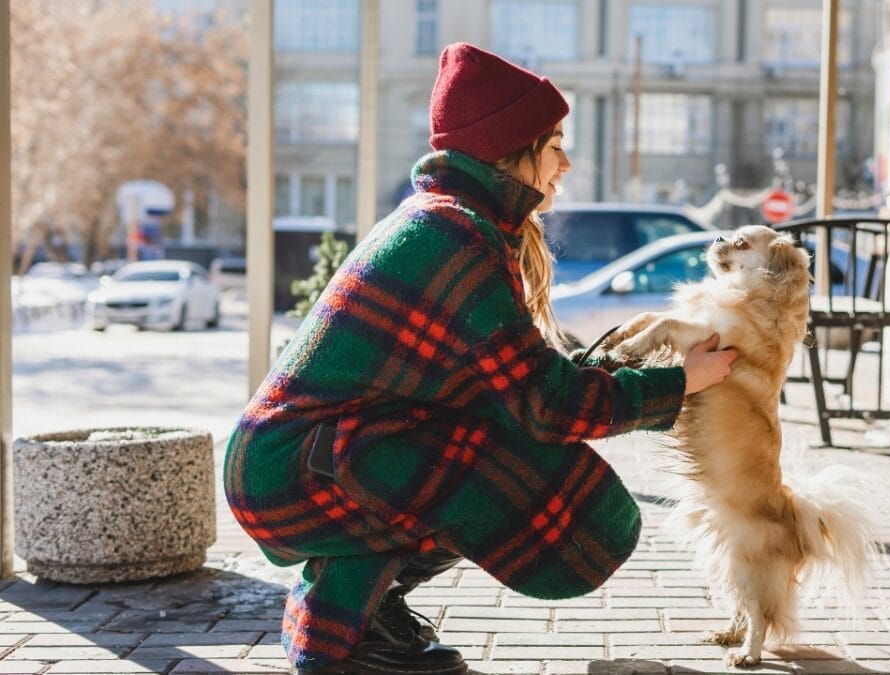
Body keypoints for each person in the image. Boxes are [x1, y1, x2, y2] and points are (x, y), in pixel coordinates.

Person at [224, 42, 738, 675]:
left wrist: (650, 364)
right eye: (554, 145)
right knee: (517, 477)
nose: (566, 162)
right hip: (292, 470)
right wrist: (677, 385)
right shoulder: (453, 235)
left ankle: (364, 614)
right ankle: (353, 638)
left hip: (307, 457)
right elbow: (547, 405)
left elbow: (527, 379)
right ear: (511, 150)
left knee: (483, 453)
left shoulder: (453, 222)